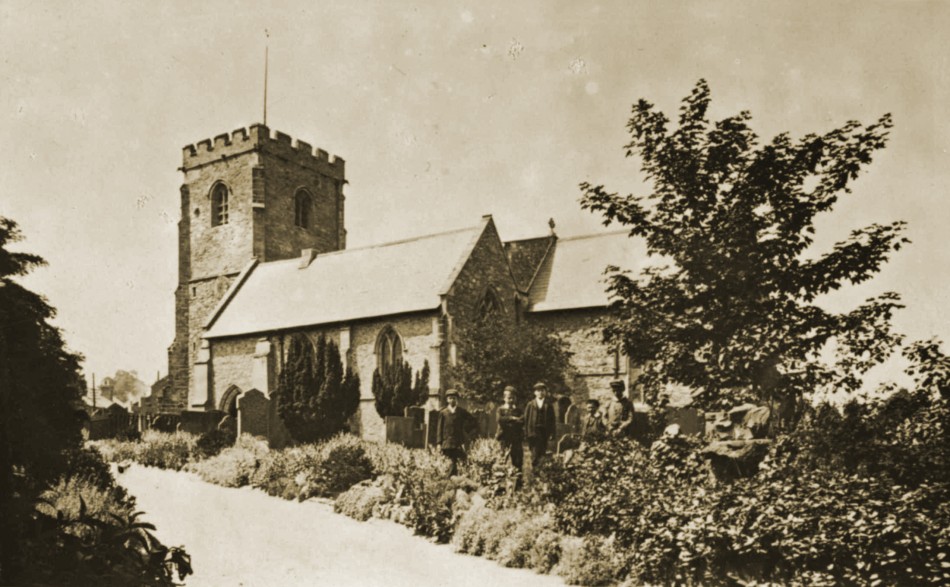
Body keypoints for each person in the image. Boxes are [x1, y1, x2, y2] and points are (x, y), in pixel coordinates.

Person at [436, 389, 476, 476]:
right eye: (450, 398)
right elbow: (439, 428)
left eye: (454, 398)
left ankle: (455, 478)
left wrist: (466, 430)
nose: (452, 400)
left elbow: (472, 420)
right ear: (447, 400)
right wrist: (439, 443)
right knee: (448, 461)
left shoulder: (461, 412)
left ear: (457, 399)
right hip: (447, 442)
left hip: (458, 442)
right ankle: (448, 478)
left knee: (460, 460)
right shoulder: (443, 413)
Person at [523, 382, 556, 468]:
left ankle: (541, 471)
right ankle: (534, 470)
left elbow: (552, 420)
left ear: (545, 392)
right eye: (538, 391)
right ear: (535, 393)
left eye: (542, 390)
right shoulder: (530, 404)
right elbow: (526, 419)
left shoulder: (548, 405)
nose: (540, 393)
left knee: (542, 451)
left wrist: (552, 433)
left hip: (544, 431)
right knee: (534, 452)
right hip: (533, 431)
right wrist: (526, 433)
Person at [495, 386, 524, 471]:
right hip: (504, 437)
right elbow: (500, 420)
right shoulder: (500, 409)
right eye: (509, 398)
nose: (511, 400)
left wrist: (509, 420)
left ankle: (518, 482)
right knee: (502, 460)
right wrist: (512, 418)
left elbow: (522, 421)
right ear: (504, 398)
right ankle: (501, 481)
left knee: (518, 461)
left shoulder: (518, 410)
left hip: (516, 438)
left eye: (513, 398)